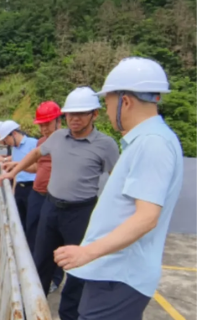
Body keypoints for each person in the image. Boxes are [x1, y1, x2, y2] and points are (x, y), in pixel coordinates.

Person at [54, 57, 183, 320]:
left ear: (125, 101)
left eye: (109, 101)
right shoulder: (146, 141)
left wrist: (86, 252)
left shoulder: (153, 144)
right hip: (111, 271)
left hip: (120, 275)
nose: (108, 108)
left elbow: (146, 217)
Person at [0, 87, 120, 320]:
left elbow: (117, 178)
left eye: (81, 113)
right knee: (40, 259)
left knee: (77, 268)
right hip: (51, 208)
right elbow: (35, 155)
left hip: (81, 212)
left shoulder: (106, 145)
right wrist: (13, 170)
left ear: (95, 114)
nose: (74, 119)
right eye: (70, 114)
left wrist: (112, 214)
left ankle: (68, 315)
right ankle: (31, 308)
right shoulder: (56, 137)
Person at [26, 101, 65, 294]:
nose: (43, 128)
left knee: (54, 241)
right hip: (37, 193)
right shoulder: (41, 143)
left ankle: (55, 278)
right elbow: (37, 167)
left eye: (47, 124)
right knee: (34, 235)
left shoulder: (68, 141)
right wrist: (15, 166)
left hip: (54, 198)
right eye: (40, 125)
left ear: (59, 121)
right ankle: (36, 276)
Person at [0, 120, 38, 228]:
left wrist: (16, 165)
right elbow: (17, 173)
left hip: (32, 187)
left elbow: (38, 167)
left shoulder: (33, 143)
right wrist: (14, 189)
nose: (7, 142)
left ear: (14, 133)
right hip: (20, 188)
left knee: (31, 223)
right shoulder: (14, 149)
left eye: (7, 139)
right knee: (19, 221)